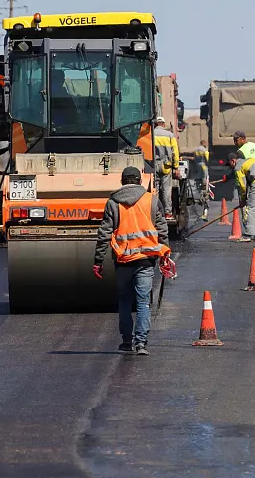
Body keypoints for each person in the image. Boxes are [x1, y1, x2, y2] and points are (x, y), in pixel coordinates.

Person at [93, 166, 171, 355]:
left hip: (123, 260)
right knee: (143, 301)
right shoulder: (151, 201)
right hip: (146, 259)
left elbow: (104, 233)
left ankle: (127, 341)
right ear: (139, 181)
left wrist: (98, 260)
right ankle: (141, 343)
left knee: (125, 300)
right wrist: (165, 255)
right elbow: (162, 230)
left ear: (122, 181)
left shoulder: (113, 202)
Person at [226, 152, 255, 242]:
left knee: (251, 208)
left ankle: (248, 234)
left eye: (229, 164)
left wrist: (243, 199)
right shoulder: (251, 160)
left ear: (233, 161)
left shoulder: (238, 167)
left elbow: (242, 185)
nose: (229, 167)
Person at [153, 116, 179, 219]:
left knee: (155, 189)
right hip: (166, 166)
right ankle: (168, 213)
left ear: (155, 124)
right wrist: (176, 167)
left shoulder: (151, 135)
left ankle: (155, 213)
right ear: (163, 124)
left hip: (154, 165)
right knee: (166, 190)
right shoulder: (170, 135)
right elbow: (175, 152)